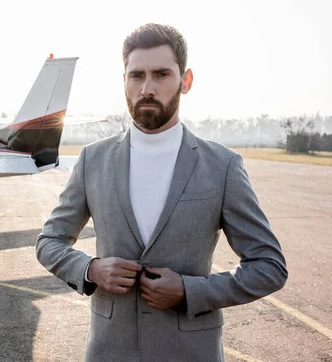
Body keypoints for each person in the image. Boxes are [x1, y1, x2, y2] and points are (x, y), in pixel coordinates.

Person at [35, 23, 287, 362]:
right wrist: (90, 269)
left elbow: (269, 266)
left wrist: (190, 290)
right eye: (136, 75)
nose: (147, 88)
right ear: (124, 80)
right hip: (111, 351)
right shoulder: (92, 159)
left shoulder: (222, 166)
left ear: (186, 81)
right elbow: (49, 241)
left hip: (191, 352)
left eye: (161, 75)